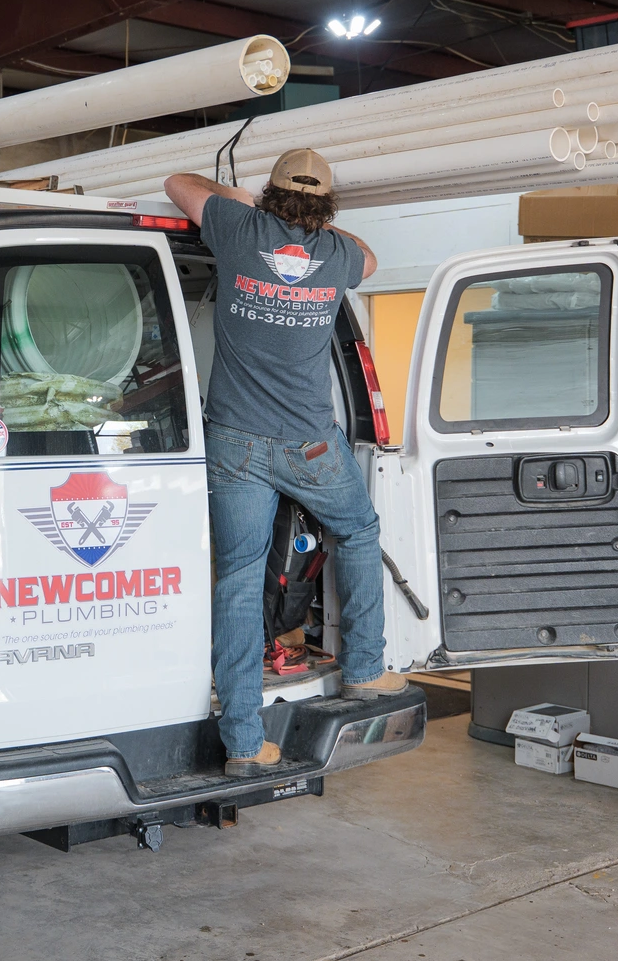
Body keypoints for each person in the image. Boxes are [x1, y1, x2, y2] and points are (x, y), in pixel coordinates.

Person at [164, 149, 408, 779]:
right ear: (326, 205)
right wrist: (318, 224)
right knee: (357, 530)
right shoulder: (336, 255)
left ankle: (244, 742)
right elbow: (372, 257)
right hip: (309, 445)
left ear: (268, 194)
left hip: (236, 443)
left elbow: (178, 182)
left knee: (239, 580)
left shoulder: (238, 230)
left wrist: (255, 203)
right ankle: (364, 668)